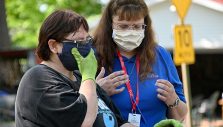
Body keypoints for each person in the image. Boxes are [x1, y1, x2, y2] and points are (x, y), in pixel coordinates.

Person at [15, 9, 134, 127]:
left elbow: (118, 121)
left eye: (87, 40)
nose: (86, 46)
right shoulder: (38, 79)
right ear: (54, 46)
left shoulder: (80, 77)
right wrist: (88, 75)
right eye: (79, 41)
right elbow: (85, 121)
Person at [93, 0, 188, 126]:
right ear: (110, 25)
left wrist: (173, 100)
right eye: (123, 26)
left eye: (137, 26)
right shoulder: (93, 56)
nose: (131, 32)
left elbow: (180, 116)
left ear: (145, 26)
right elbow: (76, 111)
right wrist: (97, 92)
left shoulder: (160, 54)